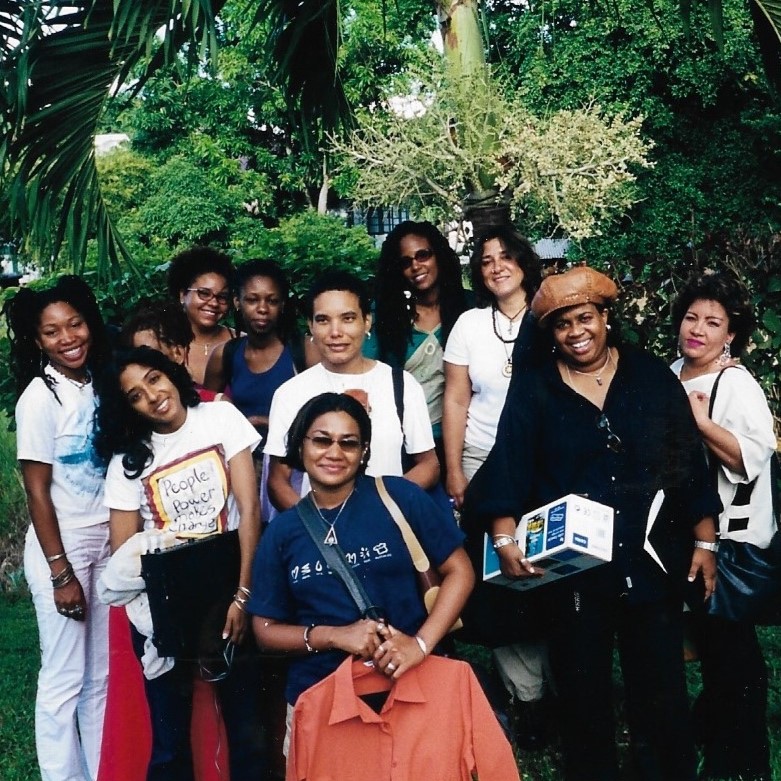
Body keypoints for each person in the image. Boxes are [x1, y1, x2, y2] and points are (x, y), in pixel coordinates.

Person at [465, 266, 722, 781]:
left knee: (660, 684)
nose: (576, 331)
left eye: (585, 317)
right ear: (551, 334)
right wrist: (503, 534)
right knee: (582, 691)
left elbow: (688, 460)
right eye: (562, 325)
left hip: (651, 555)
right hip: (577, 570)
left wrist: (706, 542)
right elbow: (509, 461)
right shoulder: (536, 389)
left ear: (605, 317)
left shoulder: (650, 377)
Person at [248, 392, 474, 749]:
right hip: (321, 693)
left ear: (364, 451)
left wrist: (419, 644)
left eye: (348, 443)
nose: (334, 453)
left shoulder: (398, 496)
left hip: (411, 682)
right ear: (300, 446)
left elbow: (460, 570)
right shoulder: (282, 531)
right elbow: (264, 630)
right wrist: (335, 636)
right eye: (321, 440)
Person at [95, 347, 264, 781]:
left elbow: (249, 510)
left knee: (248, 733)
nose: (152, 396)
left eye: (154, 379)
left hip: (229, 581)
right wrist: (161, 624)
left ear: (171, 373)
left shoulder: (219, 419)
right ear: (126, 408)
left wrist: (242, 596)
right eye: (134, 395)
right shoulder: (128, 462)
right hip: (165, 599)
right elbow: (125, 556)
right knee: (170, 745)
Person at [442, 225, 548, 747]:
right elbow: (456, 399)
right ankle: (526, 698)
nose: (496, 267)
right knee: (502, 579)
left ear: (524, 262)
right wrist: (456, 470)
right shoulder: (468, 324)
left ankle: (561, 688)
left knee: (550, 569)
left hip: (544, 464)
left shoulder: (549, 314)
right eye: (486, 261)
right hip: (482, 460)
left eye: (505, 257)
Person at [4, 275, 112, 781]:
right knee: (64, 676)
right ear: (36, 340)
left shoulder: (100, 384)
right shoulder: (38, 399)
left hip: (107, 544)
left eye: (75, 324)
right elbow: (36, 492)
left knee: (102, 677)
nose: (68, 337)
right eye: (52, 332)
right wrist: (60, 571)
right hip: (61, 547)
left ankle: (98, 772)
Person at [671, 271, 775, 781]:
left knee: (731, 653)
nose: (699, 329)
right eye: (692, 317)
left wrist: (700, 422)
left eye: (714, 322)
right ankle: (716, 740)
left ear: (730, 334)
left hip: (728, 541)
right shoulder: (670, 373)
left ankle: (743, 758)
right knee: (717, 647)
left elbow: (750, 457)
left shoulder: (733, 382)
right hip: (683, 533)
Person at [265, 270, 439, 511]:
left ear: (367, 321)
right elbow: (276, 480)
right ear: (311, 326)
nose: (335, 332)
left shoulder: (401, 385)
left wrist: (383, 505)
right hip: (322, 537)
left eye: (347, 318)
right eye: (323, 320)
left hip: (388, 526)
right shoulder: (291, 394)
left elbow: (428, 465)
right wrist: (316, 527)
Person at [365, 221, 469, 468]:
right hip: (407, 446)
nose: (415, 266)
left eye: (423, 255)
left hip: (464, 442)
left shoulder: (470, 309)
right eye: (405, 262)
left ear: (439, 256)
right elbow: (365, 376)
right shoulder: (384, 317)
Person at [204, 258, 300, 438]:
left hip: (292, 461)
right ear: (237, 302)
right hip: (243, 461)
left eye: (272, 301)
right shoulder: (224, 355)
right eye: (252, 300)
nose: (262, 308)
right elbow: (208, 415)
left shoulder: (302, 350)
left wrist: (262, 422)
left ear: (282, 305)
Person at [121, 299, 224, 402]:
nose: (142, 366)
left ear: (178, 353)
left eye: (150, 356)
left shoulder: (215, 406)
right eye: (136, 358)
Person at [167, 246, 234, 386]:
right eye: (204, 293)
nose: (214, 303)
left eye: (222, 297)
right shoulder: (164, 344)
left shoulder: (242, 343)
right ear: (182, 295)